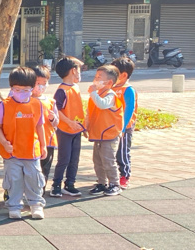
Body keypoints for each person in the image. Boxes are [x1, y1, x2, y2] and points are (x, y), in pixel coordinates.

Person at [0, 66, 48, 220]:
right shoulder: (4, 105)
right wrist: (4, 142)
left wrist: (43, 145)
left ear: (33, 87)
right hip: (11, 152)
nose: (21, 93)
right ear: (11, 88)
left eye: (26, 90)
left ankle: (36, 204)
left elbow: (40, 126)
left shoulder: (37, 104)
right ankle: (14, 206)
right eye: (17, 89)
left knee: (34, 178)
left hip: (31, 151)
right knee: (14, 179)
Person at [49, 56, 86, 198]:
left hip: (76, 129)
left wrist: (83, 127)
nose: (80, 73)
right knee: (64, 159)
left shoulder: (75, 87)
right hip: (65, 130)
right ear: (73, 71)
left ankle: (70, 184)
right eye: (79, 70)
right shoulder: (62, 90)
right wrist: (69, 122)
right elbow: (56, 110)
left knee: (74, 159)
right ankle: (56, 184)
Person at [86, 64, 123, 196]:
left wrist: (93, 93)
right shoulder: (97, 95)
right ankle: (102, 182)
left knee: (108, 160)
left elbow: (102, 105)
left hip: (109, 134)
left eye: (99, 77)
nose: (96, 80)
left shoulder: (110, 95)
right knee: (98, 161)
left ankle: (115, 183)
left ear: (109, 82)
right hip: (99, 133)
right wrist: (86, 126)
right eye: (96, 77)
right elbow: (90, 112)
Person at [110, 56, 137, 188]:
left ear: (124, 75)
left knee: (122, 151)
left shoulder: (128, 90)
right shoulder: (111, 88)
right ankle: (112, 175)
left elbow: (129, 110)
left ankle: (124, 175)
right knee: (110, 152)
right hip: (111, 126)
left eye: (115, 73)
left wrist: (123, 127)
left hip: (124, 127)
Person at [33, 64, 58, 187]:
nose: (41, 86)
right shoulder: (26, 100)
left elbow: (56, 123)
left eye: (44, 82)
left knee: (45, 169)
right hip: (32, 141)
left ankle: (41, 191)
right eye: (38, 83)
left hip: (48, 140)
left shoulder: (50, 101)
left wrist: (53, 118)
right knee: (32, 169)